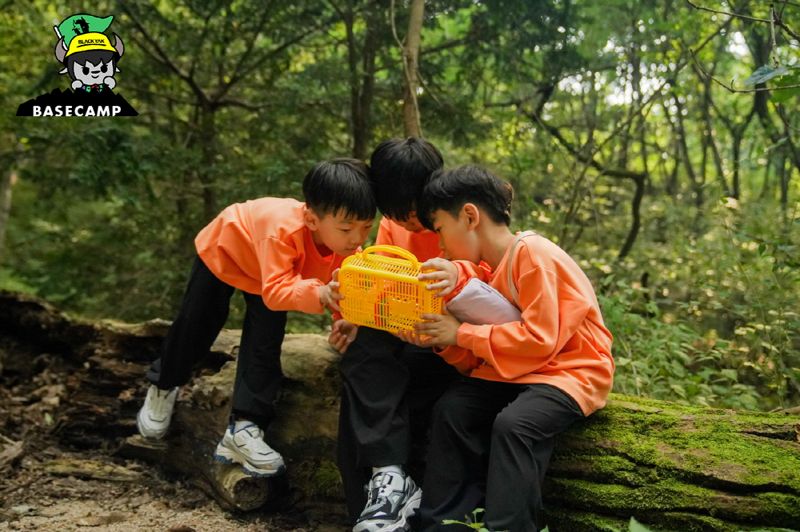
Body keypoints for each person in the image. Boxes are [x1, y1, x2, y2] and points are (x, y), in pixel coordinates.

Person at [403, 165, 615, 531]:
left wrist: (460, 335)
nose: (439, 244)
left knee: (515, 425)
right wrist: (443, 340)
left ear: (469, 216)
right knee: (453, 410)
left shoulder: (533, 254)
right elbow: (478, 356)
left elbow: (540, 340)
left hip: (570, 372)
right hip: (520, 371)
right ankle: (444, 525)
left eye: (439, 229)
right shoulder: (488, 269)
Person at [136, 158, 376, 478]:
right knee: (198, 323)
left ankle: (244, 427)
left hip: (274, 275)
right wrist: (319, 294)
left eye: (366, 227)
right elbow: (277, 292)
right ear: (312, 219)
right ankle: (164, 384)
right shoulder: (282, 232)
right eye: (347, 228)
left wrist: (345, 320)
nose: (356, 238)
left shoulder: (349, 250)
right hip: (229, 249)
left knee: (266, 338)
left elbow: (342, 291)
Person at [328, 138, 459, 532]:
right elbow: (379, 291)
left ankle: (383, 497)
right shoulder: (389, 226)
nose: (408, 224)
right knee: (360, 350)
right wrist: (355, 316)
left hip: (444, 345)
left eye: (415, 216)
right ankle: (387, 483)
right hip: (401, 335)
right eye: (398, 215)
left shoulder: (454, 224)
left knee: (368, 392)